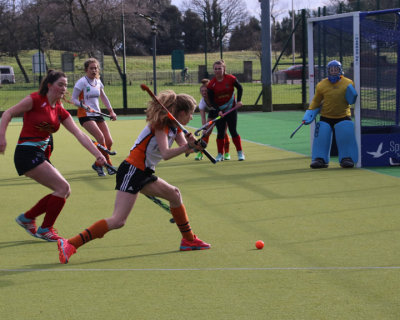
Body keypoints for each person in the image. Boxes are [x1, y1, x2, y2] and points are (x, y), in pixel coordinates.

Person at [57, 90, 211, 264]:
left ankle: (189, 240)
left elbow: (185, 148)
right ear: (182, 113)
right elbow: (167, 154)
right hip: (132, 170)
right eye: (191, 114)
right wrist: (187, 148)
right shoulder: (160, 125)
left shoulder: (175, 129)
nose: (192, 118)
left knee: (174, 194)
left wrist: (195, 146)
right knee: (118, 220)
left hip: (144, 172)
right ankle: (70, 243)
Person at [0, 70, 106, 242]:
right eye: (60, 85)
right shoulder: (34, 100)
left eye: (66, 85)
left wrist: (97, 154)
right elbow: (8, 113)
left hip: (39, 154)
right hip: (26, 153)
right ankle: (44, 229)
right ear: (49, 85)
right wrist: (1, 137)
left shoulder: (59, 110)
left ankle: (27, 218)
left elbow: (79, 134)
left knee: (65, 191)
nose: (64, 88)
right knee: (62, 188)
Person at [302, 60, 358, 169]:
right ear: (328, 71)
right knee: (322, 134)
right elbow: (316, 101)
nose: (333, 72)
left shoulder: (348, 83)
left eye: (336, 69)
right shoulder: (321, 85)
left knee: (346, 132)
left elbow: (352, 99)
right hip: (326, 117)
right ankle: (319, 159)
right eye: (331, 70)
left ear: (340, 69)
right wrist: (309, 113)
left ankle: (347, 158)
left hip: (343, 116)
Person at [71, 58, 117, 177]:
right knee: (100, 138)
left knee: (108, 141)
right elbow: (73, 99)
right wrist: (84, 106)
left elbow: (103, 97)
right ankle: (108, 164)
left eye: (96, 68)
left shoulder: (98, 81)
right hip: (85, 115)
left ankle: (98, 164)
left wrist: (111, 111)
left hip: (97, 114)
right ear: (86, 69)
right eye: (91, 68)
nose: (94, 70)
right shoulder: (81, 82)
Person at [207, 59, 245, 161]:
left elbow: (240, 88)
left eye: (220, 68)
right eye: (216, 69)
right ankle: (220, 154)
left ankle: (240, 153)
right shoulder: (211, 84)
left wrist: (239, 101)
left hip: (231, 109)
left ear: (224, 69)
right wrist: (218, 110)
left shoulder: (231, 79)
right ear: (213, 70)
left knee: (233, 131)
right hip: (219, 111)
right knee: (220, 132)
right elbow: (211, 101)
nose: (218, 70)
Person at [195, 78, 230, 161]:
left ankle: (227, 153)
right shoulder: (202, 103)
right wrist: (204, 128)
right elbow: (203, 117)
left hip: (223, 113)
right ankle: (201, 152)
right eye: (202, 91)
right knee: (206, 133)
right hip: (212, 113)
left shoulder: (216, 98)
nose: (204, 92)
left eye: (205, 91)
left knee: (223, 132)